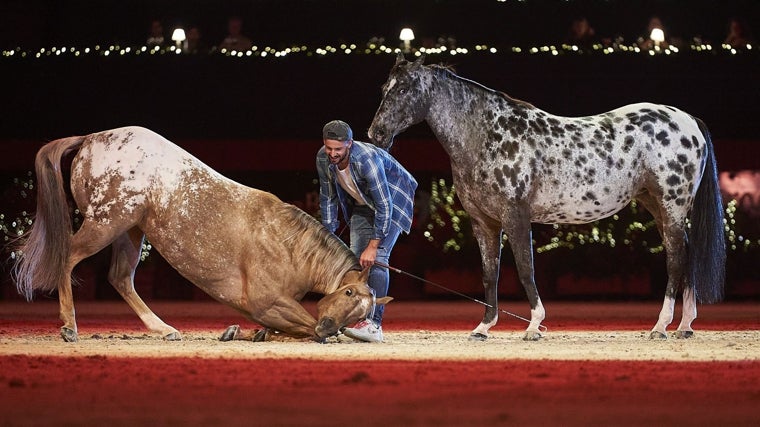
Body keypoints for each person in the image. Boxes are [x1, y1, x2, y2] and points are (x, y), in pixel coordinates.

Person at [316, 120, 417, 342]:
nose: (333, 153)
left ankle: (373, 326)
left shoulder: (366, 160)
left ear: (349, 144)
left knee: (377, 258)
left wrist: (373, 245)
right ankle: (355, 320)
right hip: (362, 205)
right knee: (355, 263)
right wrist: (328, 238)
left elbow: (385, 205)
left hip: (394, 201)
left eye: (338, 149)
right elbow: (328, 199)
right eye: (329, 148)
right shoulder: (323, 157)